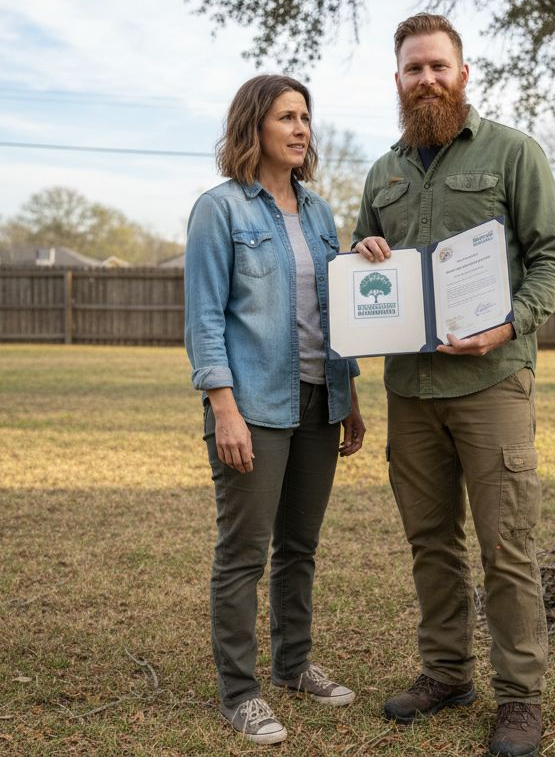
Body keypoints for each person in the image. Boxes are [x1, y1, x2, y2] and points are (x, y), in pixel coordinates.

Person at [351, 13, 555, 757]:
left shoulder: (513, 153)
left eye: (439, 67)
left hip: (491, 385)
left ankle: (520, 701)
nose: (427, 80)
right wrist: (364, 253)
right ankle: (446, 673)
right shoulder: (382, 173)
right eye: (414, 69)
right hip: (410, 391)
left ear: (463, 73)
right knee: (431, 543)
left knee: (507, 545)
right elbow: (359, 272)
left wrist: (509, 325)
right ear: (398, 80)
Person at [184, 74, 365, 746]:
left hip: (321, 401)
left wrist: (349, 394)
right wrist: (223, 408)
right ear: (254, 126)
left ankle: (293, 667)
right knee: (243, 554)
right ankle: (240, 692)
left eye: (306, 119)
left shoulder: (319, 213)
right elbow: (204, 319)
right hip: (253, 405)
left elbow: (335, 312)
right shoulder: (220, 210)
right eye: (287, 117)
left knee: (300, 547)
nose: (301, 130)